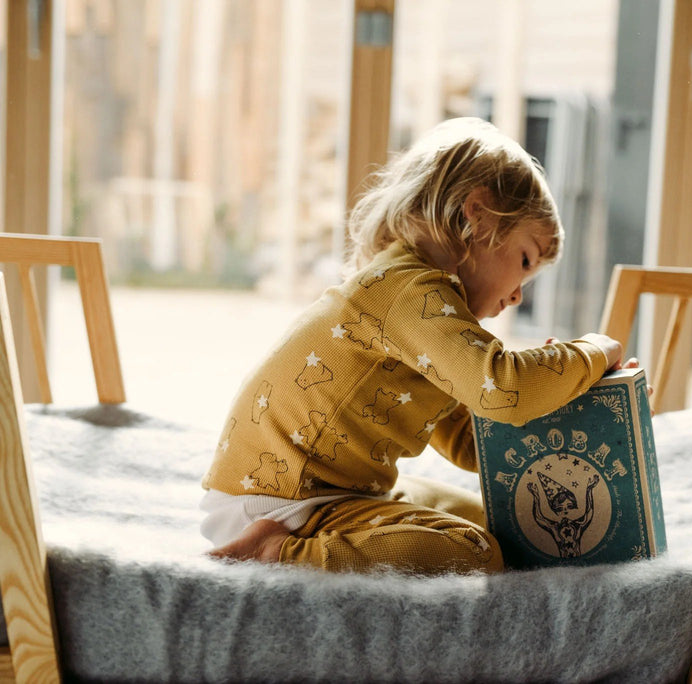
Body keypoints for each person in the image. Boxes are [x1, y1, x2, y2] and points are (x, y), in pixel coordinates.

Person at [200, 117, 625, 575]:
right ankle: (276, 551)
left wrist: (586, 399)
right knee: (477, 552)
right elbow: (504, 387)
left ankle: (294, 543)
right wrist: (592, 352)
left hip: (338, 494)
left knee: (509, 527)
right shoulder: (409, 291)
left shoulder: (427, 308)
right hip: (285, 501)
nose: (519, 295)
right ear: (478, 213)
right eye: (525, 261)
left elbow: (470, 442)